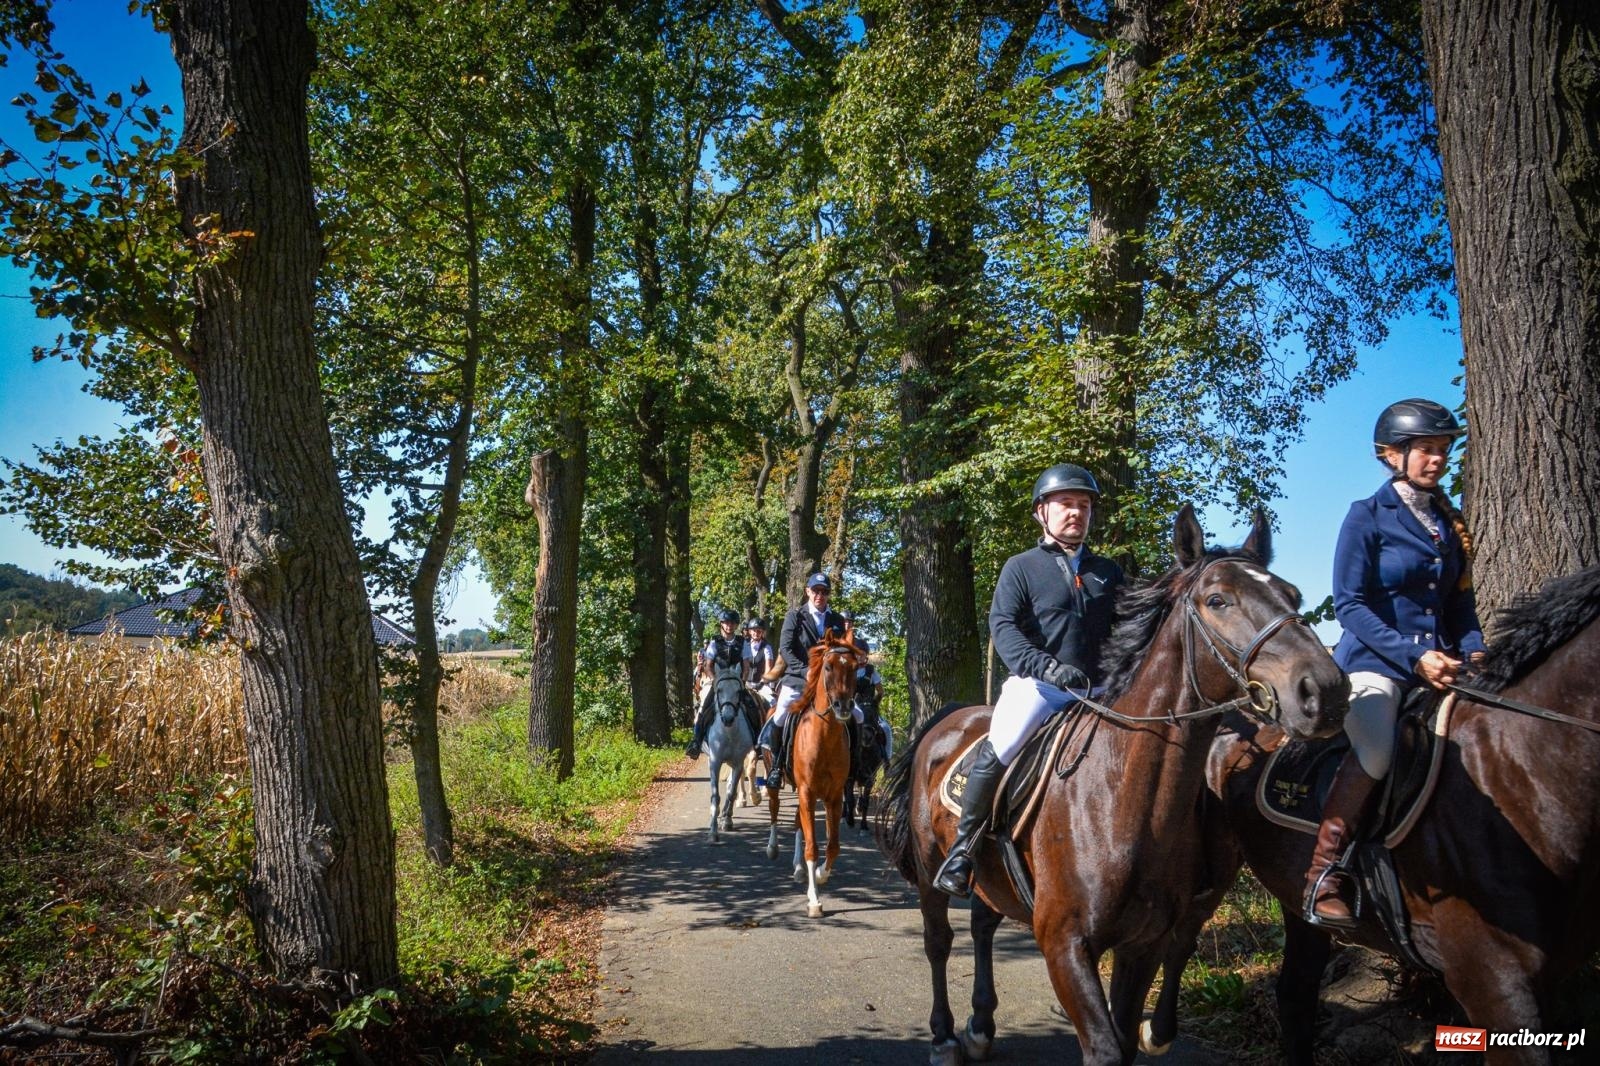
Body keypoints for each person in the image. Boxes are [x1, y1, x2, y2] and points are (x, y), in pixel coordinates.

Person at [1305, 398, 1484, 928]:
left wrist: (1476, 652)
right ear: (1391, 455)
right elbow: (1349, 605)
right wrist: (1414, 655)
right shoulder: (1366, 515)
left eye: (1443, 449)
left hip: (1443, 663)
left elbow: (1460, 609)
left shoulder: (1447, 523)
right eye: (1426, 449)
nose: (1438, 459)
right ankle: (1324, 873)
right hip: (1374, 664)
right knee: (1378, 749)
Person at [932, 463, 1125, 898]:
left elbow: (1130, 627)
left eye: (1084, 505)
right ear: (1042, 512)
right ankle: (963, 852)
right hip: (1040, 688)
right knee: (1003, 744)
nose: (1076, 513)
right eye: (1066, 504)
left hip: (1100, 690)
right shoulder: (1021, 567)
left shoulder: (1108, 572)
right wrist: (1047, 668)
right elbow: (1003, 627)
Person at [763, 573, 846, 789]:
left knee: (854, 715)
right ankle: (776, 766)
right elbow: (786, 649)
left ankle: (852, 766)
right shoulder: (795, 616)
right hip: (798, 681)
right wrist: (804, 671)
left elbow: (842, 651)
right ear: (808, 591)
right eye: (816, 591)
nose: (820, 595)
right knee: (780, 715)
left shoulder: (837, 620)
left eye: (824, 592)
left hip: (829, 685)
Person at [685, 608, 747, 758]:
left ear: (736, 625)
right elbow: (708, 666)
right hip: (718, 682)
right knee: (703, 708)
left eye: (732, 623)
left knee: (754, 707)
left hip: (736, 683)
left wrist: (743, 682)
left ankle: (759, 741)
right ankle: (696, 742)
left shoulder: (743, 643)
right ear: (722, 624)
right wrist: (715, 681)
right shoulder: (714, 643)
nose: (729, 626)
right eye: (726, 623)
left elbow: (746, 666)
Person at [742, 616, 776, 704]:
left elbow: (768, 668)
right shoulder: (744, 645)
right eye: (754, 630)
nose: (756, 633)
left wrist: (761, 683)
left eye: (759, 631)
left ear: (762, 632)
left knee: (772, 702)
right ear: (750, 631)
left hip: (761, 684)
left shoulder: (767, 647)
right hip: (745, 683)